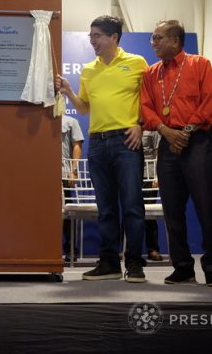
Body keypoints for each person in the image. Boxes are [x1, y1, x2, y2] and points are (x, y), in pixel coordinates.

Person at [55, 15, 147, 283]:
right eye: (91, 36)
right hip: (97, 142)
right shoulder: (88, 70)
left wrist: (140, 125)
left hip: (126, 141)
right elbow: (84, 108)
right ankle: (108, 264)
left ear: (114, 37)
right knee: (106, 208)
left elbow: (149, 100)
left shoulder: (137, 64)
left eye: (97, 36)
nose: (92, 41)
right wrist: (71, 93)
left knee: (132, 206)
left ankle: (134, 264)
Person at [140, 20, 212, 287]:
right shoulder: (151, 73)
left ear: (175, 41)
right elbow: (146, 108)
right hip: (167, 142)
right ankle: (182, 267)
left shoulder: (200, 64)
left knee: (206, 207)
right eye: (153, 39)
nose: (153, 43)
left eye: (158, 38)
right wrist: (167, 132)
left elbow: (210, 101)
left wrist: (185, 132)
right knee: (172, 210)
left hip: (198, 140)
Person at [61, 114, 84, 262]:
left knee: (67, 214)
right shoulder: (40, 119)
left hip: (63, 173)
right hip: (42, 173)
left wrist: (74, 170)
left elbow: (77, 145)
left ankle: (70, 249)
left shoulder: (70, 121)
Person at [142, 130, 163, 262]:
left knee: (149, 214)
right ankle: (128, 249)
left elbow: (157, 153)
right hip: (130, 175)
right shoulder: (127, 125)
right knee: (129, 213)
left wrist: (157, 175)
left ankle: (153, 249)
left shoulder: (153, 130)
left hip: (149, 176)